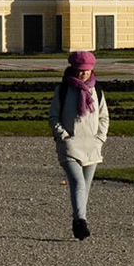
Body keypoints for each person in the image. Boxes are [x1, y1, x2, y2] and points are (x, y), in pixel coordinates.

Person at [48, 50, 109, 240]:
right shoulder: (63, 90)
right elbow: (53, 116)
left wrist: (100, 138)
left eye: (87, 70)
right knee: (78, 182)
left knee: (86, 187)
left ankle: (80, 219)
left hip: (91, 146)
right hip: (70, 146)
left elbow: (103, 116)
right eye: (80, 70)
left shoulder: (96, 90)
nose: (83, 74)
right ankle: (80, 221)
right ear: (73, 69)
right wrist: (63, 135)